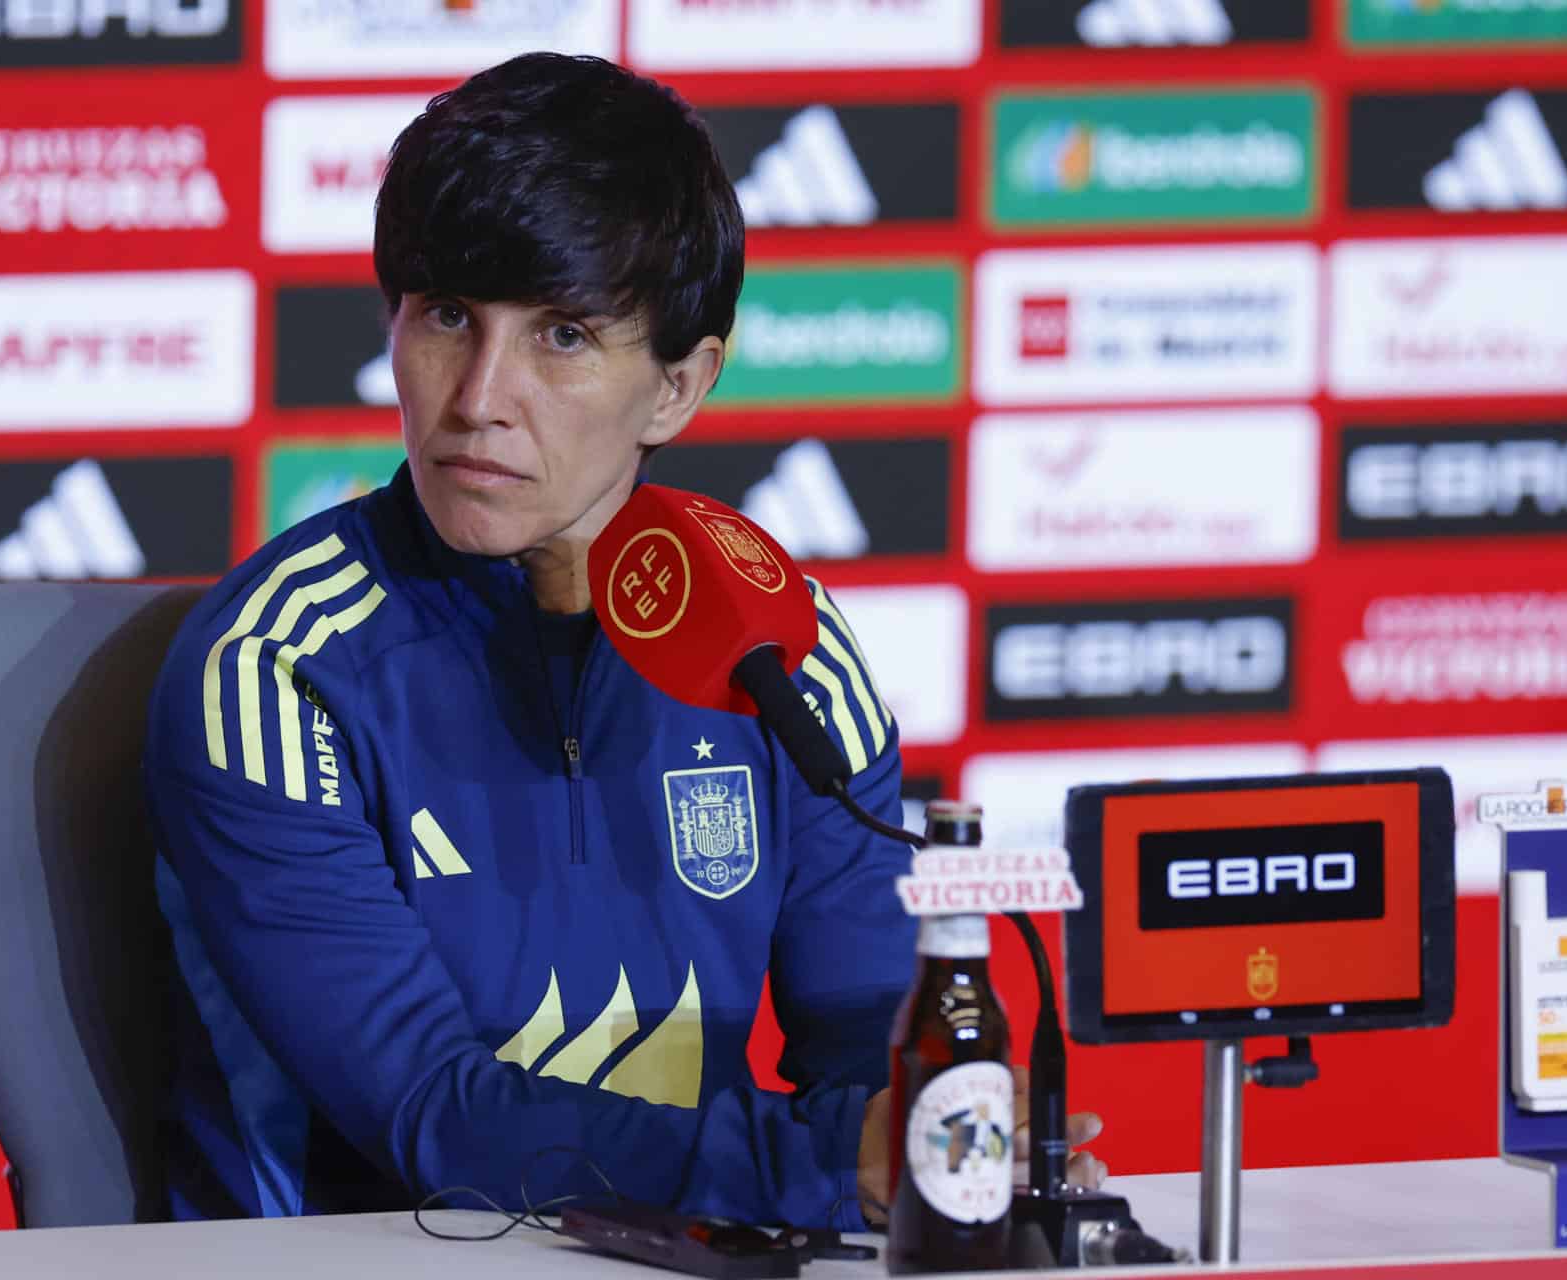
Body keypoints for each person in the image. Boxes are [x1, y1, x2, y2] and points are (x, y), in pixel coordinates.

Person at [142, 51, 1101, 1230]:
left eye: (561, 336)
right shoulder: (274, 667)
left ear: (678, 388)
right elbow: (434, 1122)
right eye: (448, 315)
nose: (478, 397)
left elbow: (872, 1057)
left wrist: (950, 1139)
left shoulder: (782, 651)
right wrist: (827, 1163)